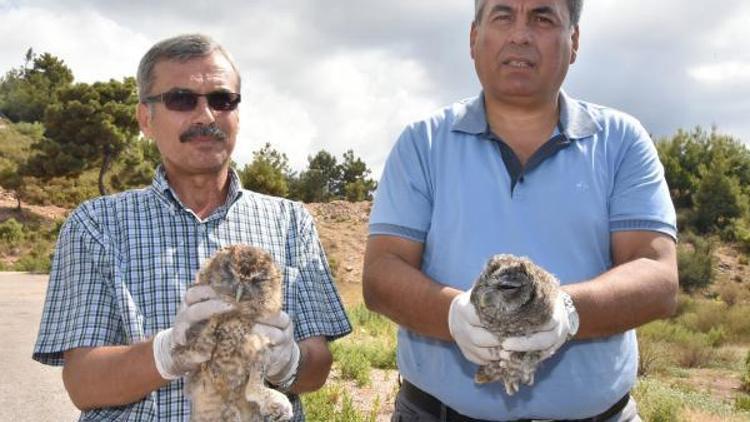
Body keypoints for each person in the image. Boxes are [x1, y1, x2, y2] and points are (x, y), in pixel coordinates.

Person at [363, 0, 677, 420]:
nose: (520, 34)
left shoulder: (622, 141)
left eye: (543, 17)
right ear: (474, 37)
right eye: (503, 14)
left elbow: (657, 275)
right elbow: (382, 273)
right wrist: (453, 316)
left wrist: (567, 312)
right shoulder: (422, 143)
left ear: (574, 39)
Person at [33, 34, 351, 421]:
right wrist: (170, 351)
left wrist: (290, 363)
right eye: (181, 99)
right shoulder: (96, 226)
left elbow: (317, 368)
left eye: (221, 99)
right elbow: (83, 383)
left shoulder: (291, 222)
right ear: (145, 119)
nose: (206, 116)